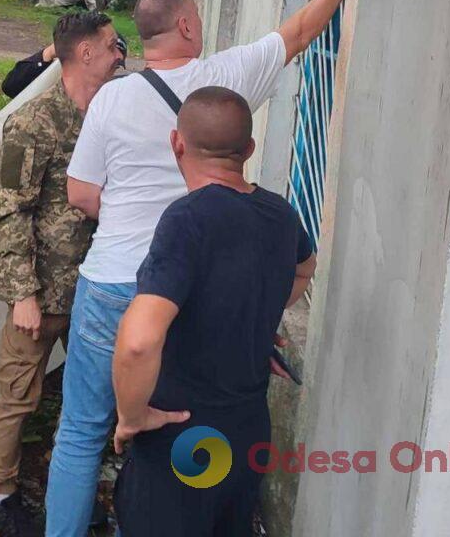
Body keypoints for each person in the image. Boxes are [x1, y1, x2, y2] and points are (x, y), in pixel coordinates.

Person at [44, 0, 348, 535]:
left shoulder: (111, 95)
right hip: (189, 293)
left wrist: (128, 214)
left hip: (111, 279)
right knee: (184, 423)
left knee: (81, 432)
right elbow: (302, 30)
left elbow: (81, 194)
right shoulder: (225, 80)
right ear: (185, 25)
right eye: (199, 18)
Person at [110, 87, 315, 536]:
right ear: (248, 150)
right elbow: (304, 268)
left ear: (176, 144)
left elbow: (139, 341)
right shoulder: (281, 214)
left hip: (184, 437)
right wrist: (251, 313)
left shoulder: (186, 220)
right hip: (246, 435)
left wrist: (131, 416)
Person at [0, 11, 123, 537]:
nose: (119, 54)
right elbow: (10, 210)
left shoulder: (111, 112)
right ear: (84, 53)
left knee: (91, 397)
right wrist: (23, 293)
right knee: (19, 393)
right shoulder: (34, 121)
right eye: (112, 45)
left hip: (98, 283)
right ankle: (2, 493)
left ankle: (76, 489)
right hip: (45, 287)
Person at [0, 35, 128, 99]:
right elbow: (11, 87)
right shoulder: (62, 75)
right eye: (106, 61)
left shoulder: (111, 93)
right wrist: (48, 54)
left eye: (115, 66)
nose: (108, 70)